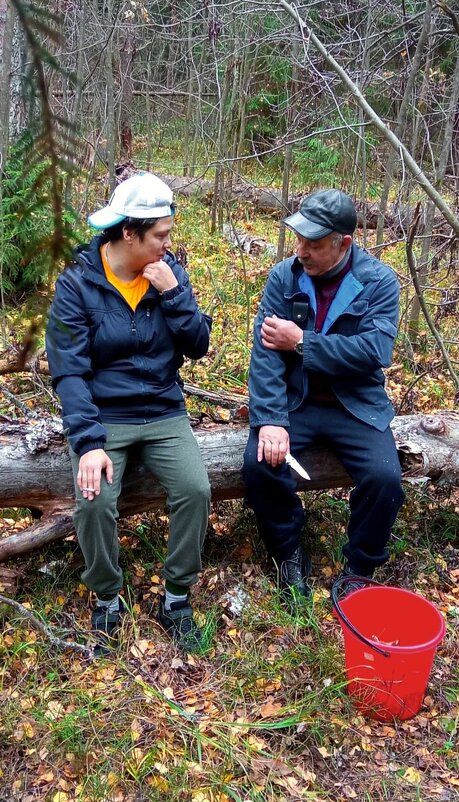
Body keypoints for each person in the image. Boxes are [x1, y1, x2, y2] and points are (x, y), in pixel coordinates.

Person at [46, 172, 212, 654]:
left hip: (163, 408)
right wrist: (89, 443)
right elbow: (70, 373)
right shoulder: (78, 284)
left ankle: (176, 598)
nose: (168, 244)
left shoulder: (168, 271)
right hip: (105, 416)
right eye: (159, 235)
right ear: (128, 232)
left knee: (196, 489)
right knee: (94, 501)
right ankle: (107, 598)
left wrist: (174, 294)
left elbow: (198, 345)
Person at [243, 189, 405, 604]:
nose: (302, 251)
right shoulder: (285, 277)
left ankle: (359, 569)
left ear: (344, 243)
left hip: (354, 406)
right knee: (260, 465)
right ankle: (287, 553)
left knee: (385, 478)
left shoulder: (378, 282)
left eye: (313, 244)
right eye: (299, 240)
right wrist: (270, 420)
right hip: (295, 404)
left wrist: (302, 343)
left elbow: (374, 352)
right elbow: (265, 356)